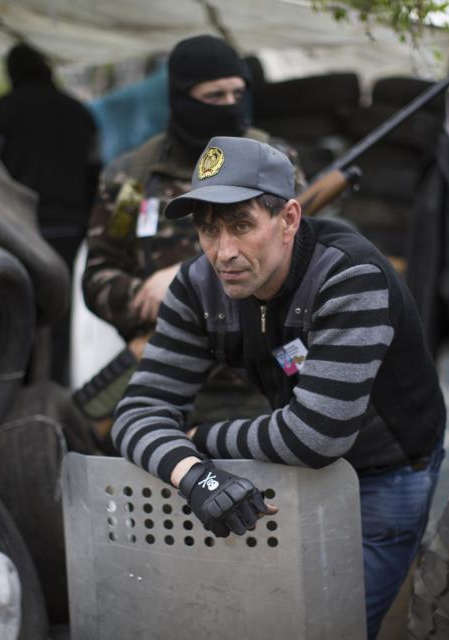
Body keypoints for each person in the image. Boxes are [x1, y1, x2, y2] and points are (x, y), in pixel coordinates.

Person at [111, 136, 446, 639]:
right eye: (208, 230)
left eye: (242, 226)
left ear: (288, 219)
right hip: (287, 472)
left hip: (384, 476)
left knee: (333, 630)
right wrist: (197, 477)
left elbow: (317, 436)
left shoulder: (350, 275)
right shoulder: (197, 288)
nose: (224, 253)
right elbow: (137, 413)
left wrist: (201, 439)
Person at [80, 34, 302, 426]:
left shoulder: (273, 163)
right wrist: (142, 297)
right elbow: (99, 274)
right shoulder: (132, 180)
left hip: (267, 375)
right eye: (214, 97)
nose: (230, 107)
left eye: (237, 94)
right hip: (172, 376)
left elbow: (308, 258)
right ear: (181, 98)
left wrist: (182, 280)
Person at [0, 42, 100, 385]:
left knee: (16, 309)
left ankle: (13, 392)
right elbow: (95, 170)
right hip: (68, 228)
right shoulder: (79, 112)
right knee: (59, 311)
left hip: (17, 228)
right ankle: (53, 390)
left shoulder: (3, 110)